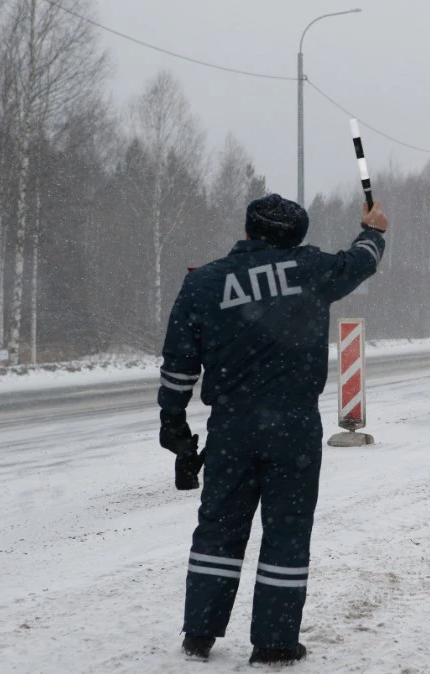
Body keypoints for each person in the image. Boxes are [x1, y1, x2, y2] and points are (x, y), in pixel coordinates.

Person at [157, 194, 388, 665]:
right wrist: (374, 231)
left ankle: (200, 633)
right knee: (286, 532)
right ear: (295, 236)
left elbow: (179, 364)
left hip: (231, 428)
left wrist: (174, 423)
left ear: (247, 231)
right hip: (294, 427)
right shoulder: (309, 270)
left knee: (218, 529)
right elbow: (357, 264)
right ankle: (275, 643)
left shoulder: (204, 282)